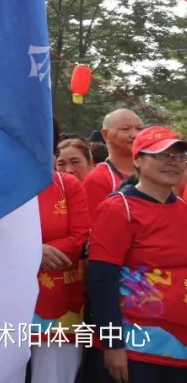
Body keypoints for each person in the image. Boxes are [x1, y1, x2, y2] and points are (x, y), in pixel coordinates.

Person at [89, 127, 187, 381]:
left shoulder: (183, 209)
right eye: (161, 154)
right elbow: (101, 281)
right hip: (135, 348)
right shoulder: (119, 208)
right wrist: (113, 345)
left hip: (179, 347)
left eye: (178, 156)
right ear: (137, 160)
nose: (172, 162)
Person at [30, 147, 90, 383]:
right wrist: (31, 252)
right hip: (6, 299)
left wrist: (34, 253)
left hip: (58, 301)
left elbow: (79, 236)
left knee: (54, 375)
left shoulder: (67, 186)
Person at [84, 109, 144, 219]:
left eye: (139, 129)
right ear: (105, 135)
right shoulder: (97, 179)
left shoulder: (153, 172)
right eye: (126, 129)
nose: (135, 134)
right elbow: (98, 226)